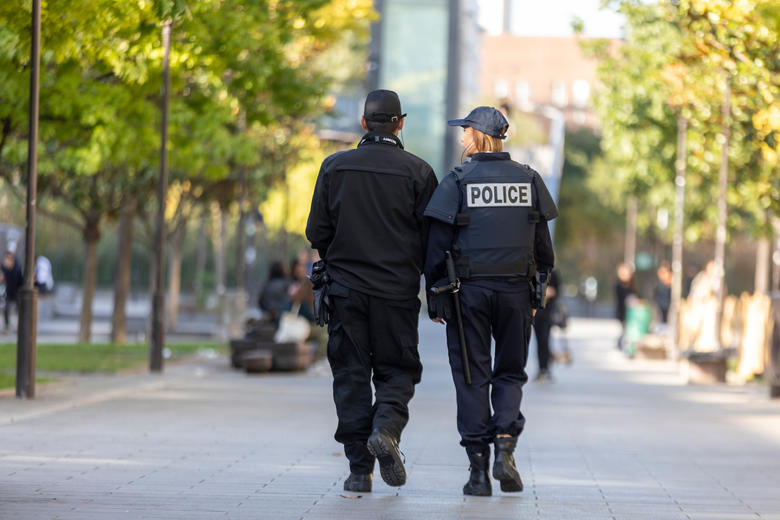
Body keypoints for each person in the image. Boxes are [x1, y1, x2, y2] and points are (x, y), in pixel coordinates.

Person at [306, 89, 438, 493]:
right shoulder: (419, 173)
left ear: (363, 123)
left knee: (350, 374)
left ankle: (358, 470)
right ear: (400, 123)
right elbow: (432, 239)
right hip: (396, 293)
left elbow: (317, 233)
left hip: (345, 291)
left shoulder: (335, 167)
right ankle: (386, 429)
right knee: (398, 370)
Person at [423, 106, 557, 496]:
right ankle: (504, 446)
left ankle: (479, 472)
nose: (462, 137)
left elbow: (436, 245)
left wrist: (435, 294)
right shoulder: (528, 179)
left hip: (468, 294)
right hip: (517, 292)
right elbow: (543, 246)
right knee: (511, 372)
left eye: (465, 131)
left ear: (479, 136)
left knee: (471, 376)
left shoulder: (457, 180)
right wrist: (537, 290)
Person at [532, 269, 560, 382]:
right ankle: (541, 368)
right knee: (539, 342)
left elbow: (558, 291)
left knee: (545, 339)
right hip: (536, 313)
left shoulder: (554, 274)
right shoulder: (534, 272)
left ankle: (546, 368)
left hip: (548, 314)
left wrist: (549, 292)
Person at [258, 261, 290, 327]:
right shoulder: (286, 284)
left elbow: (260, 301)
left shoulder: (266, 285)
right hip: (283, 318)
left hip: (269, 317)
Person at [0, 251, 24, 334]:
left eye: (6, 259)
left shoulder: (17, 269)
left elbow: (21, 281)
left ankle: (19, 327)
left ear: (11, 260)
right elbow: (2, 279)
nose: (4, 261)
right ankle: (7, 327)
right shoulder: (4, 269)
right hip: (9, 292)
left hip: (18, 292)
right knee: (6, 309)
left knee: (19, 310)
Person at [615, 262, 637, 350]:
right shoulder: (619, 286)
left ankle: (624, 344)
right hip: (622, 312)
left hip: (631, 313)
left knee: (627, 330)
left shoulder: (632, 285)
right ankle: (621, 344)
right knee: (624, 329)